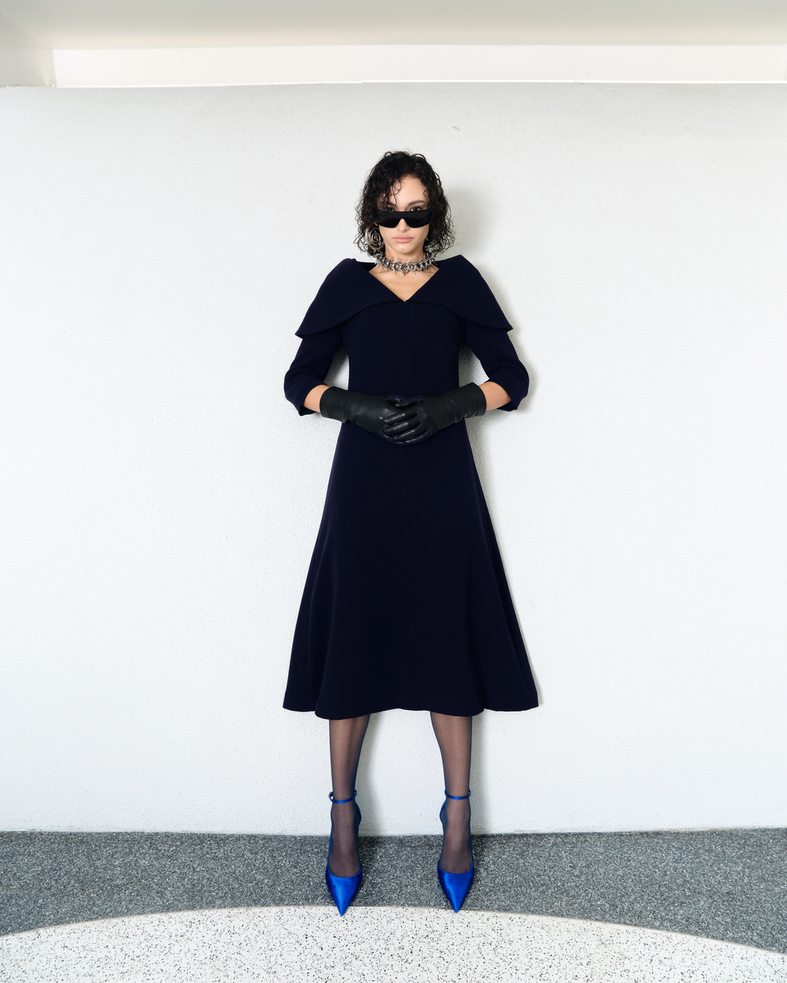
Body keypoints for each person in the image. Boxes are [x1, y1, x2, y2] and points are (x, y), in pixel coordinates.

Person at [283, 151, 538, 915]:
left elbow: (511, 377)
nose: (401, 225)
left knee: (443, 631)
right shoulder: (345, 284)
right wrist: (353, 407)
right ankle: (342, 817)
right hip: (362, 478)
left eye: (415, 212)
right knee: (353, 630)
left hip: (441, 479)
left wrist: (446, 407)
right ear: (372, 215)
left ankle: (456, 817)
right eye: (389, 211)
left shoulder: (459, 283)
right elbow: (297, 380)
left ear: (434, 217)